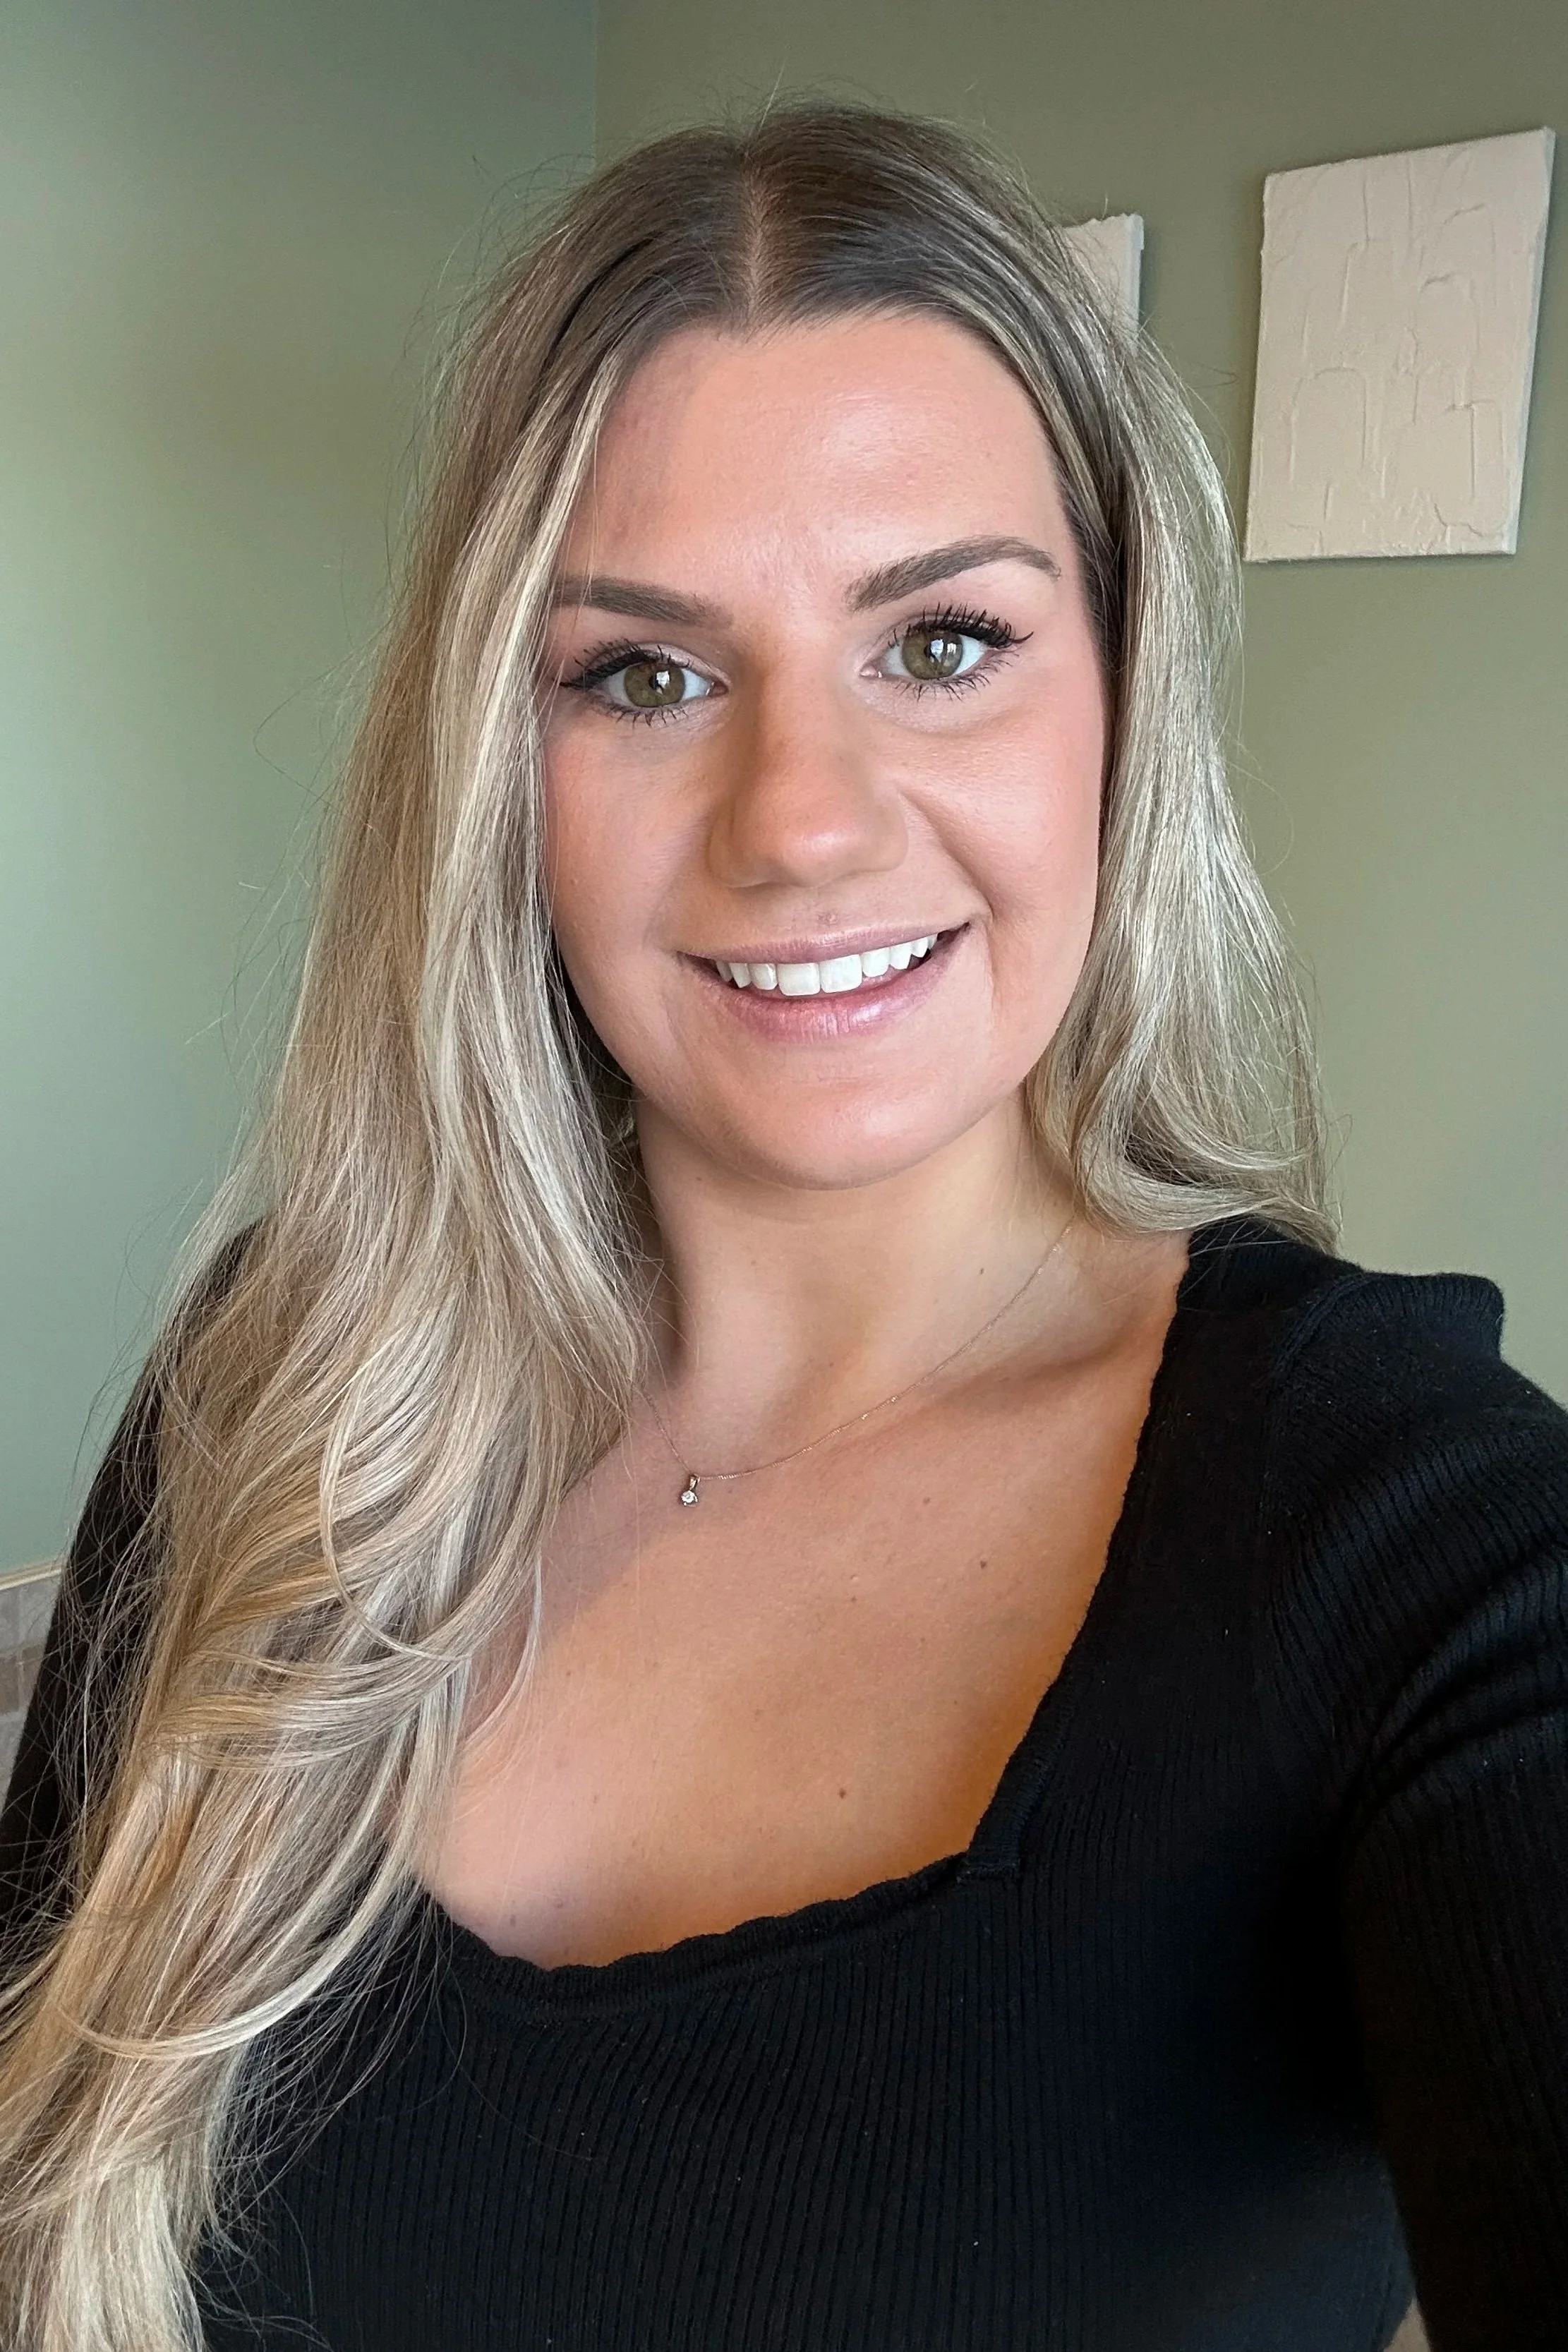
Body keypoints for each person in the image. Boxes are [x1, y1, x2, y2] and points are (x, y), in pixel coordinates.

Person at [1, 99, 1564, 2352]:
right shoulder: (290, 1393)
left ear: (1122, 706)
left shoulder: (1396, 1521)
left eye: (940, 641)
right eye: (640, 674)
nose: (802, 824)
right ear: (492, 766)